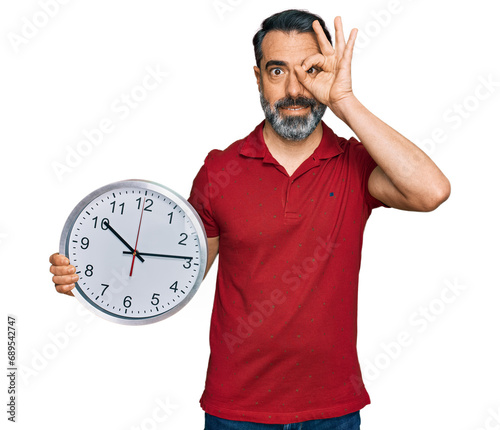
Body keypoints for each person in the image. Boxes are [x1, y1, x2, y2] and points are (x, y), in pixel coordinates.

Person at [49, 9, 450, 430]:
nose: (295, 89)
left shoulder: (354, 163)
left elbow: (431, 191)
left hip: (331, 409)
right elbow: (175, 276)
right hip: (235, 411)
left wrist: (345, 102)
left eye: (311, 71)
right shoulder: (219, 170)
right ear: (257, 77)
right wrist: (90, 279)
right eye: (277, 71)